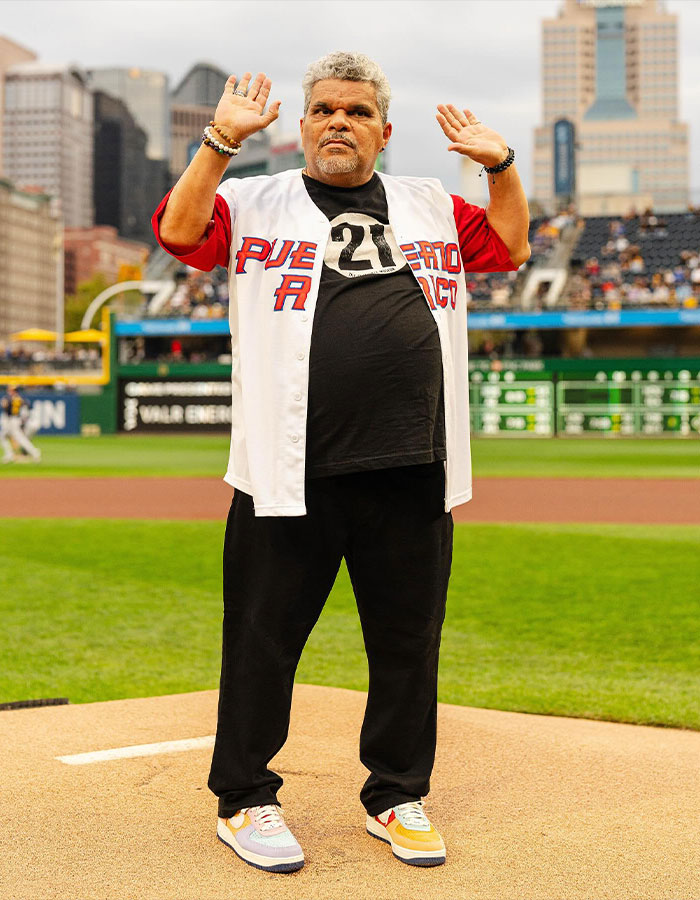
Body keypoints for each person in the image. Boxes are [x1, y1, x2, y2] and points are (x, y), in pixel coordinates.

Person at [152, 51, 530, 874]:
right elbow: (180, 232)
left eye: (357, 113)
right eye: (324, 109)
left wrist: (500, 165)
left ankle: (397, 794)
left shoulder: (431, 204)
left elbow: (509, 245)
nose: (338, 123)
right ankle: (246, 800)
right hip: (289, 473)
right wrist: (219, 140)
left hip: (413, 467)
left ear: (384, 133)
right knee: (261, 642)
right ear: (301, 123)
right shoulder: (254, 200)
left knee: (406, 644)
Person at [1, 385, 41, 464]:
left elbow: (5, 405)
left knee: (20, 439)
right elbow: (27, 406)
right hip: (16, 419)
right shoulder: (21, 399)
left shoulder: (9, 398)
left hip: (11, 420)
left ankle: (34, 452)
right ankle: (9, 454)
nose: (9, 391)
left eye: (10, 390)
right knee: (3, 436)